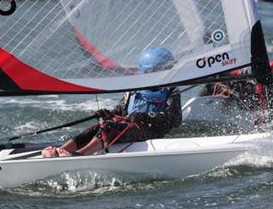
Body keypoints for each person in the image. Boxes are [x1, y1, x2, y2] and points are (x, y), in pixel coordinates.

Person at [43, 47, 181, 157]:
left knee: (109, 128)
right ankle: (59, 150)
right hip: (129, 125)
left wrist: (144, 116)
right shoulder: (134, 88)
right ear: (149, 70)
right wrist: (107, 114)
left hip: (150, 130)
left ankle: (79, 154)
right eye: (163, 68)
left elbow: (175, 119)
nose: (166, 71)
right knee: (97, 127)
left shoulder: (171, 90)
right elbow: (120, 110)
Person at [200, 39, 273, 109]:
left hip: (251, 100)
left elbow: (251, 73)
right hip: (265, 105)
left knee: (214, 81)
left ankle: (200, 108)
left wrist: (224, 71)